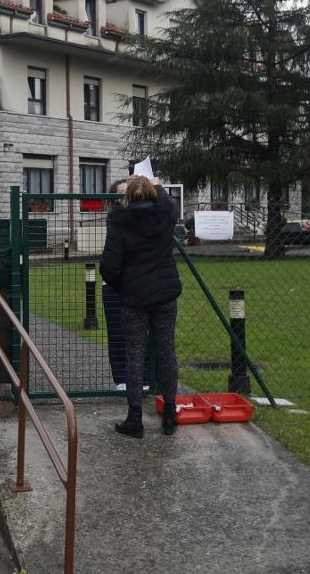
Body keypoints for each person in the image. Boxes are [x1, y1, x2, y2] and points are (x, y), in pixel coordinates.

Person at [100, 175, 182, 438]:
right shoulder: (166, 215)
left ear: (127, 198)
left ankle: (134, 419)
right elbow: (168, 203)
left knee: (134, 355)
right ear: (153, 193)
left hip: (134, 298)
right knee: (166, 352)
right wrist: (156, 183)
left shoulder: (119, 223)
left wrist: (122, 286)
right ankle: (170, 413)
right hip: (165, 295)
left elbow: (108, 267)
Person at [102, 178, 149, 392]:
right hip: (115, 284)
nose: (125, 197)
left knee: (142, 332)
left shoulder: (147, 216)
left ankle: (146, 377)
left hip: (138, 283)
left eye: (128, 193)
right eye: (121, 194)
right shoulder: (116, 219)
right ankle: (121, 378)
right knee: (117, 332)